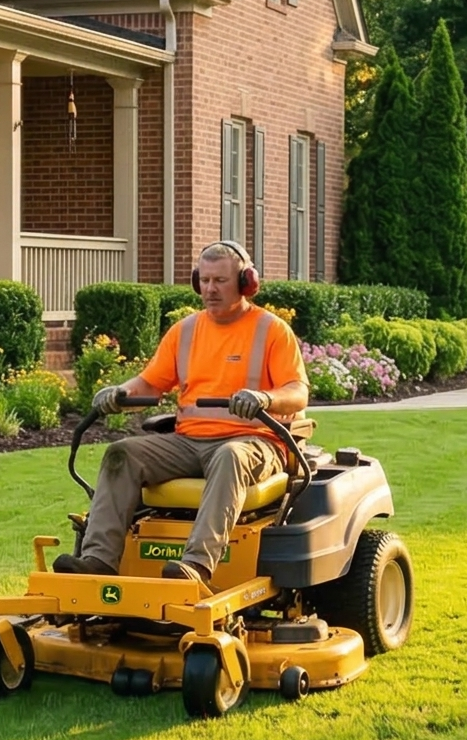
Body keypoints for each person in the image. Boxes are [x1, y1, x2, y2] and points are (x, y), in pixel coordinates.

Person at [54, 239, 309, 588]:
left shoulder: (272, 331)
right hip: (189, 440)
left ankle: (196, 566)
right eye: (204, 280)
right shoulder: (185, 331)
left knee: (229, 456)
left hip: (253, 442)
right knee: (122, 454)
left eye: (219, 280)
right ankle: (98, 560)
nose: (210, 289)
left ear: (246, 282)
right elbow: (150, 382)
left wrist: (264, 398)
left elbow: (298, 392)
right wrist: (119, 392)